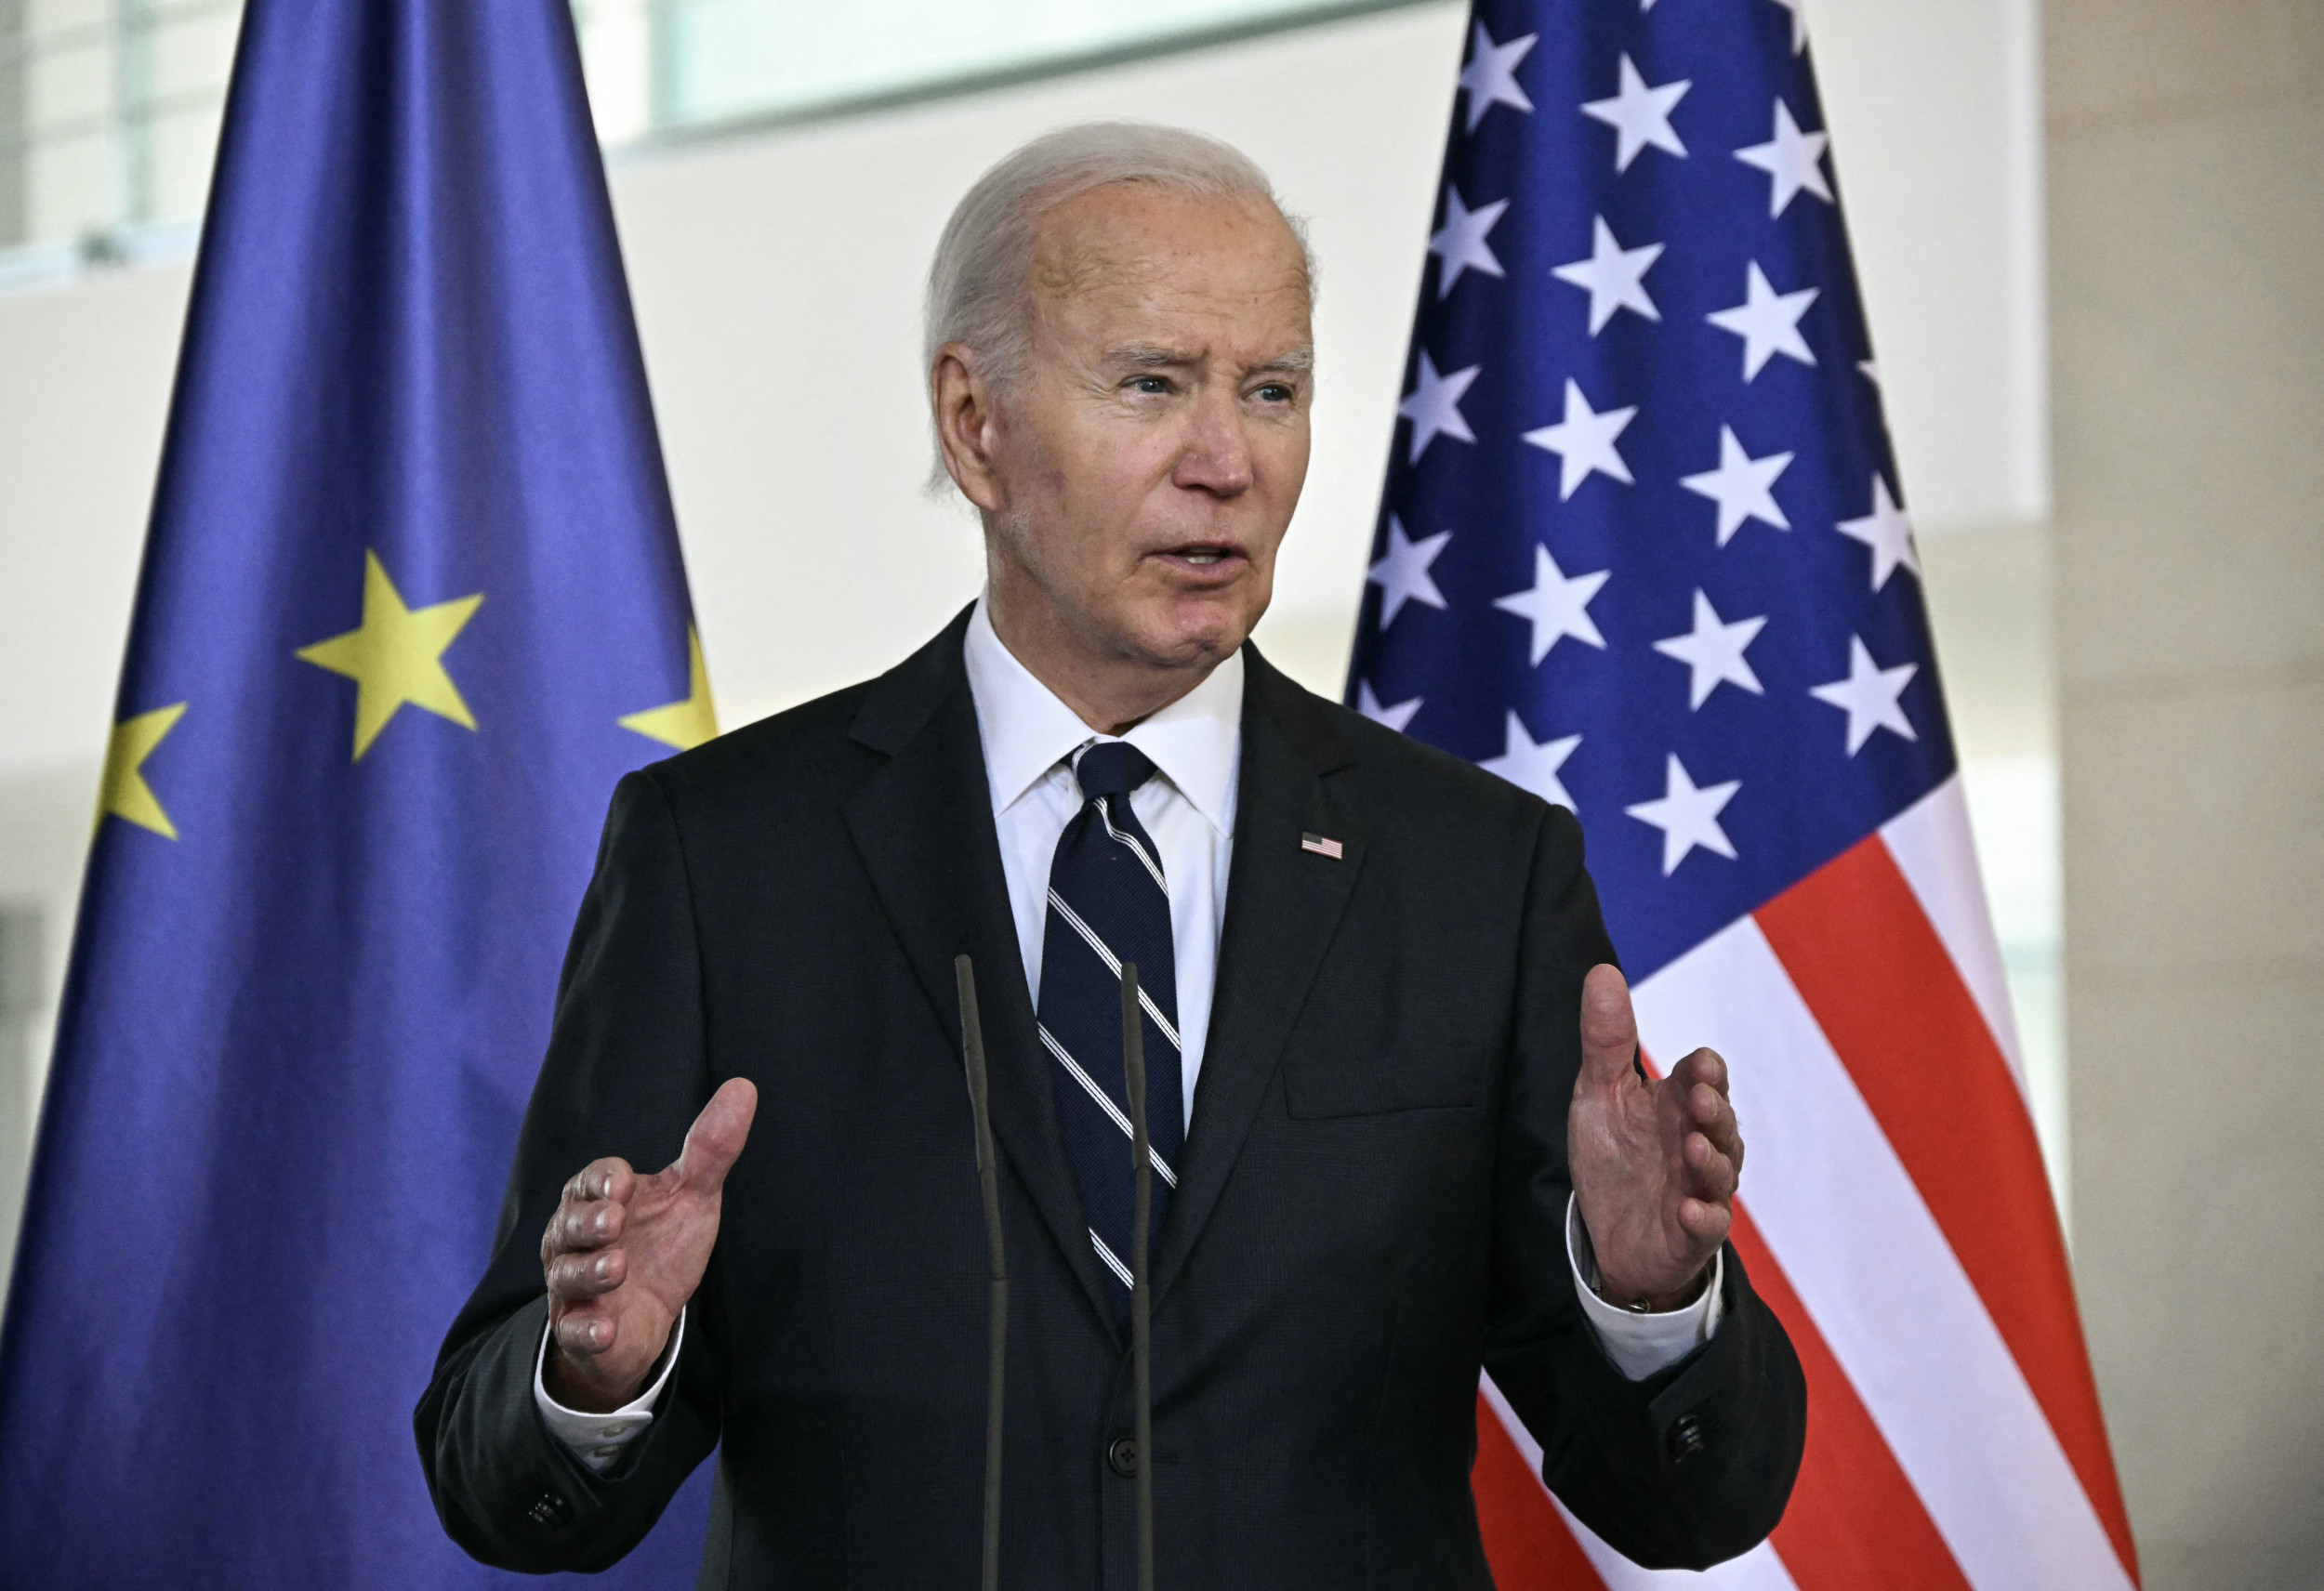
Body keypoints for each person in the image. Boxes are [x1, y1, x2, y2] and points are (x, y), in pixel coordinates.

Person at [415, 122, 1804, 1587]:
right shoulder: (725, 859)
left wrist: (1652, 1303)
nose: (1227, 462)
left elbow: (1688, 1514)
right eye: (1153, 384)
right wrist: (597, 1375)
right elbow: (496, 1489)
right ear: (976, 425)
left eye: (1272, 391)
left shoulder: (1476, 874)